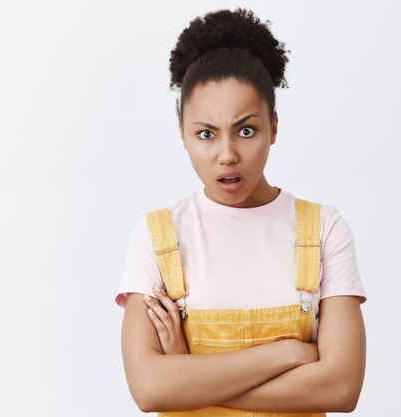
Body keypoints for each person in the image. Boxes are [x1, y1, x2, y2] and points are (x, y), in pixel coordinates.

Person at [115, 8, 367, 416]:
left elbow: (341, 389)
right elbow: (149, 389)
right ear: (182, 132)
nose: (227, 155)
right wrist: (289, 353)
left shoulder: (324, 229)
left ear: (274, 126)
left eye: (246, 130)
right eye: (206, 134)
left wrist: (189, 374)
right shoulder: (157, 236)